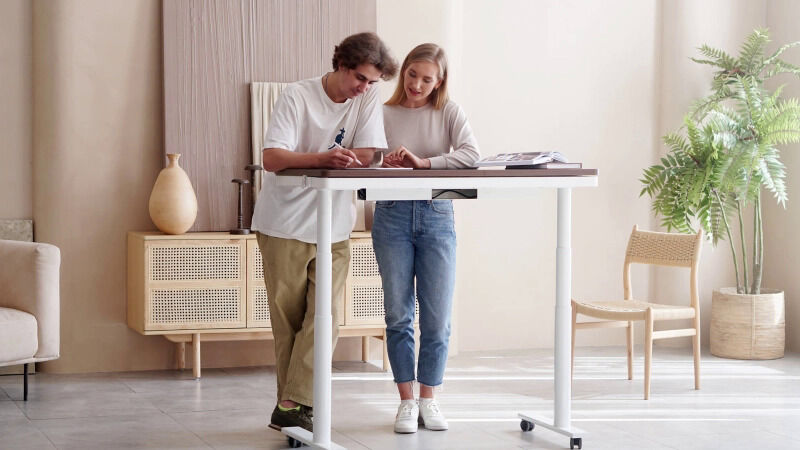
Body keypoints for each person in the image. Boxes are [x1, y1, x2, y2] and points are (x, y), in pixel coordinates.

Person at [251, 32, 397, 432]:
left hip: (334, 224)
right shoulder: (297, 97)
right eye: (361, 78)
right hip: (283, 225)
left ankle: (293, 402)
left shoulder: (364, 100)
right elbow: (272, 158)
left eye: (372, 82)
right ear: (342, 65)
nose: (365, 88)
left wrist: (354, 156)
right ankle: (295, 409)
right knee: (290, 323)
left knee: (327, 317)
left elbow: (371, 152)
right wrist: (323, 157)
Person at [372, 43, 480, 434]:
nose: (417, 84)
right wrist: (384, 162)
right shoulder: (381, 112)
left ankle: (429, 399)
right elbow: (362, 157)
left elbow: (471, 155)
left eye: (427, 79)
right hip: (391, 216)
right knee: (399, 314)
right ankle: (405, 401)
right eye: (412, 74)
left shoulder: (448, 111)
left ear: (440, 82)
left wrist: (424, 164)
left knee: (437, 319)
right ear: (404, 73)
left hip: (438, 213)